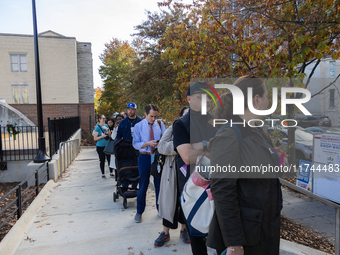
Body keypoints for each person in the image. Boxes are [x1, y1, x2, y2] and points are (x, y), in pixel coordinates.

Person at [207, 76, 282, 255]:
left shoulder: (259, 133)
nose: (268, 102)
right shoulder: (230, 134)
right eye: (266, 97)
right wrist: (234, 243)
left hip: (265, 231)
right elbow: (223, 190)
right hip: (245, 240)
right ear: (256, 100)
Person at [173, 82, 217, 255]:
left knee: (218, 233)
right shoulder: (181, 124)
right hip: (193, 188)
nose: (205, 100)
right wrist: (208, 144)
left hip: (216, 184)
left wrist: (197, 148)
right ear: (189, 99)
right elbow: (186, 156)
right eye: (200, 97)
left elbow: (223, 150)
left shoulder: (214, 119)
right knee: (197, 235)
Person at [154, 106, 190, 247]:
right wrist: (179, 147)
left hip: (189, 172)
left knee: (185, 202)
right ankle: (165, 233)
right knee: (169, 202)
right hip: (172, 171)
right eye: (186, 115)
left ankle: (184, 230)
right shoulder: (174, 127)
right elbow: (161, 146)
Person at [132, 104, 166, 223]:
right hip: (144, 157)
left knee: (159, 185)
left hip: (157, 157)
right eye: (151, 116)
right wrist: (148, 144)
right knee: (143, 185)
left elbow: (165, 139)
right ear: (145, 114)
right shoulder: (138, 126)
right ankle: (139, 212)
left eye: (155, 116)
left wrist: (160, 143)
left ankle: (160, 209)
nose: (153, 119)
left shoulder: (160, 124)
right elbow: (135, 144)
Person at [116, 103, 142, 189]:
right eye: (129, 109)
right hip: (125, 149)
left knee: (136, 168)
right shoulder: (123, 122)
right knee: (125, 167)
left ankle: (134, 186)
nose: (130, 111)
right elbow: (118, 135)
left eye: (132, 109)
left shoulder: (140, 121)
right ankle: (124, 187)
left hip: (137, 148)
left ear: (135, 110)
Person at [109, 115, 123, 179]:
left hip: (124, 147)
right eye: (117, 119)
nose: (118, 121)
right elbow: (113, 137)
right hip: (117, 147)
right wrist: (114, 129)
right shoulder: (116, 127)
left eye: (120, 119)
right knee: (116, 164)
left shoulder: (125, 126)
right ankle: (117, 179)